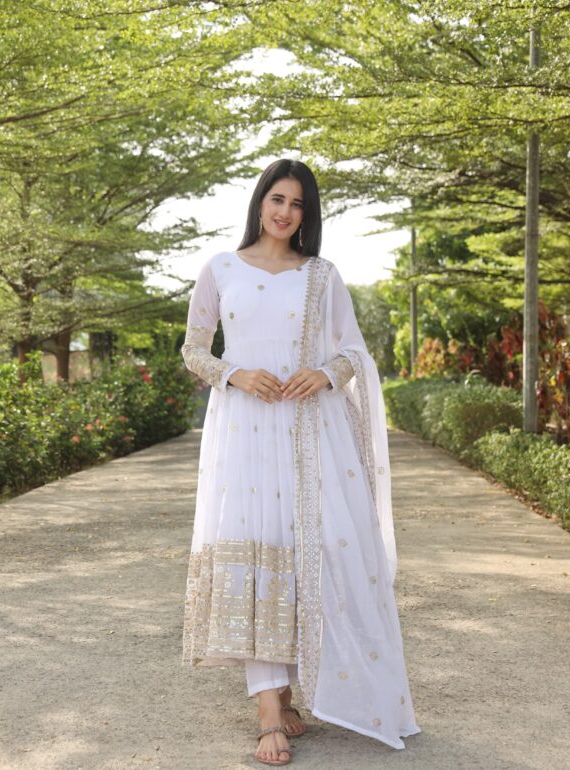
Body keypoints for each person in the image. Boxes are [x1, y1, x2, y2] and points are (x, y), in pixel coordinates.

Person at [181, 159, 421, 766]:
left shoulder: (321, 275)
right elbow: (194, 349)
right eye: (277, 199)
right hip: (244, 429)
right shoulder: (220, 268)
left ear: (307, 214)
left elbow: (352, 351)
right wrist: (235, 374)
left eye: (298, 204)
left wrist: (325, 374)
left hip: (308, 428)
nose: (286, 212)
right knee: (256, 547)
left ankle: (288, 691)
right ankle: (269, 709)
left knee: (306, 552)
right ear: (259, 201)